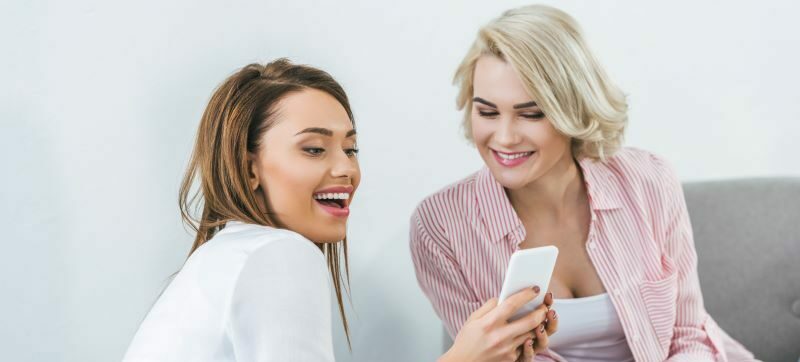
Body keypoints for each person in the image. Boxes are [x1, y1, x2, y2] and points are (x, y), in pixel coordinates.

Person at [124, 58, 552, 362]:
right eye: (313, 148)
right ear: (247, 166)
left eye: (351, 148)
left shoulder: (231, 253)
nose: (346, 168)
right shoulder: (275, 255)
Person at [410, 5, 756, 361]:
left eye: (530, 114)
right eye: (487, 112)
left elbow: (689, 335)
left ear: (573, 111)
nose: (505, 137)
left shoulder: (650, 180)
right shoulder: (441, 227)